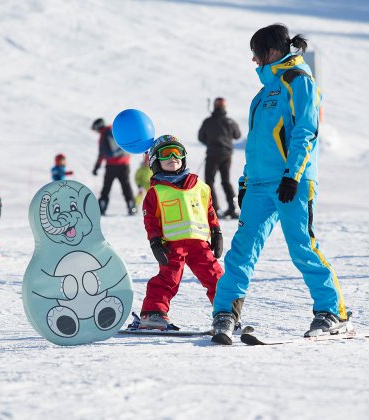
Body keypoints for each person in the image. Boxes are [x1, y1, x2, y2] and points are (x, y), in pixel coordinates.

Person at [211, 23, 350, 344]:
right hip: (259, 186)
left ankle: (332, 311)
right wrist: (245, 181)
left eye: (255, 54)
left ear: (271, 52)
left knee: (302, 247)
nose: (253, 61)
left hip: (292, 182)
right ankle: (226, 312)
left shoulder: (299, 82)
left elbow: (306, 130)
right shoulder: (263, 94)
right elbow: (258, 144)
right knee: (241, 251)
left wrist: (293, 174)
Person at [138, 135, 224, 329]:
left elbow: (209, 210)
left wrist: (216, 231)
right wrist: (154, 242)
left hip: (199, 244)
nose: (173, 157)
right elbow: (150, 220)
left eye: (178, 152)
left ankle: (226, 313)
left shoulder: (200, 187)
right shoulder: (156, 192)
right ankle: (153, 313)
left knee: (216, 277)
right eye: (166, 153)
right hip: (172, 245)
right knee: (169, 278)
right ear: (155, 161)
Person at [198, 97, 242, 219]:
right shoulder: (230, 122)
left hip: (212, 155)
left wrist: (209, 141)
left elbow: (201, 137)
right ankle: (232, 208)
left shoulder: (208, 121)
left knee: (209, 182)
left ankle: (214, 209)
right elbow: (237, 135)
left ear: (214, 106)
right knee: (226, 181)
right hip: (226, 155)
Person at [91, 118, 136, 216]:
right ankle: (131, 206)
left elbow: (102, 153)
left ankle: (102, 207)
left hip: (111, 165)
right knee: (126, 186)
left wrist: (96, 167)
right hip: (124, 164)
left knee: (106, 188)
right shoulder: (115, 130)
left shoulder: (104, 135)